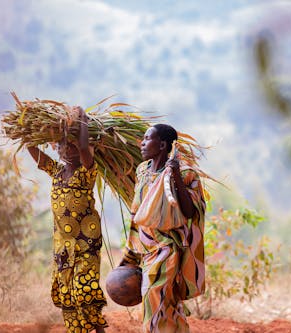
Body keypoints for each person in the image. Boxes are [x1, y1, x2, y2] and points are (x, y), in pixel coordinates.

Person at [27, 106, 107, 333]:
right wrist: (28, 128)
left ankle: (99, 330)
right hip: (63, 246)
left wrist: (81, 119)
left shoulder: (87, 172)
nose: (67, 149)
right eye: (62, 145)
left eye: (70, 145)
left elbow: (83, 147)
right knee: (67, 294)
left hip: (86, 243)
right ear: (57, 149)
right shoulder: (55, 171)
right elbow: (32, 149)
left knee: (85, 290)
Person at [119, 124, 206, 333]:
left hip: (168, 249)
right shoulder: (143, 170)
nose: (142, 142)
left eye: (147, 138)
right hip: (146, 248)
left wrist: (174, 174)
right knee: (168, 302)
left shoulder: (186, 174)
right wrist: (131, 252)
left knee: (153, 297)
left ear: (163, 144)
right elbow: (137, 211)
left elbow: (190, 212)